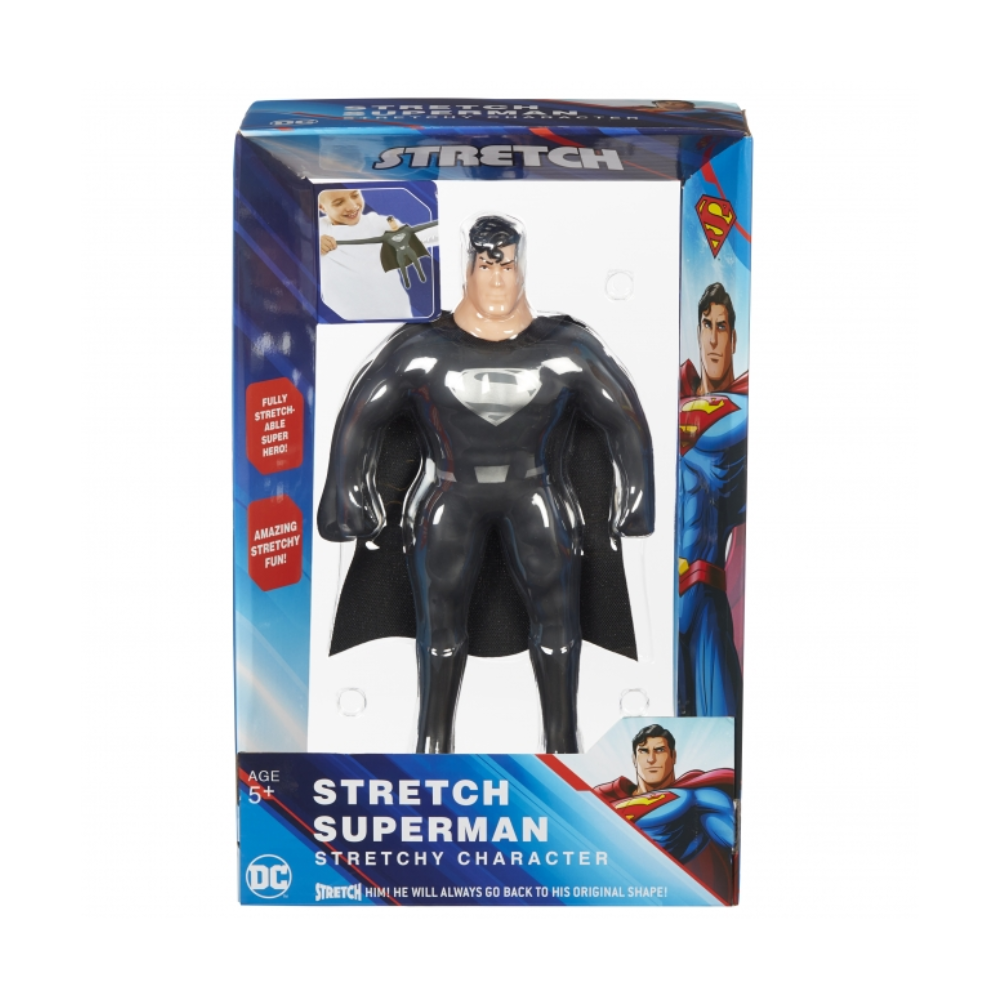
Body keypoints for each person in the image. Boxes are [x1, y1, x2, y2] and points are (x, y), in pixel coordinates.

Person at [318, 215, 654, 753]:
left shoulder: (564, 349)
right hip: (451, 494)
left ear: (522, 269)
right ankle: (433, 743)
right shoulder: (423, 349)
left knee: (557, 618)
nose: (497, 278)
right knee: (440, 625)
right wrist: (345, 494)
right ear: (468, 269)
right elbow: (361, 412)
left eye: (507, 265)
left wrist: (637, 497)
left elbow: (624, 418)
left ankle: (563, 742)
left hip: (535, 493)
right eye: (486, 264)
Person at [676, 282, 748, 718]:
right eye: (707, 325)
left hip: (705, 592)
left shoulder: (741, 407)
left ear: (734, 338)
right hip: (664, 597)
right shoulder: (678, 392)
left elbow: (717, 423)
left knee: (718, 725)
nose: (714, 338)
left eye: (723, 327)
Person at [593, 723, 735, 900]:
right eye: (644, 751)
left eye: (659, 750)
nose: (651, 759)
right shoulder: (603, 799)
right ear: (634, 758)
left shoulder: (701, 797)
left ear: (673, 756)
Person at [317, 188, 437, 319]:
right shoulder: (316, 229)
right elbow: (301, 253)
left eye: (355, 195)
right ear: (322, 207)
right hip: (343, 315)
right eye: (339, 203)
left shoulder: (378, 223)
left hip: (393, 309)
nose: (352, 206)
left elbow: (416, 238)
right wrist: (314, 244)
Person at [333, 214, 438, 289]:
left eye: (394, 222)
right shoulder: (387, 236)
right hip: (399, 252)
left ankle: (421, 275)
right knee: (402, 267)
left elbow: (423, 226)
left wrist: (440, 221)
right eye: (391, 223)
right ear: (389, 224)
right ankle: (406, 280)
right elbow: (365, 241)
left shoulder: (406, 230)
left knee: (416, 263)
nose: (393, 224)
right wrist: (339, 242)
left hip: (409, 249)